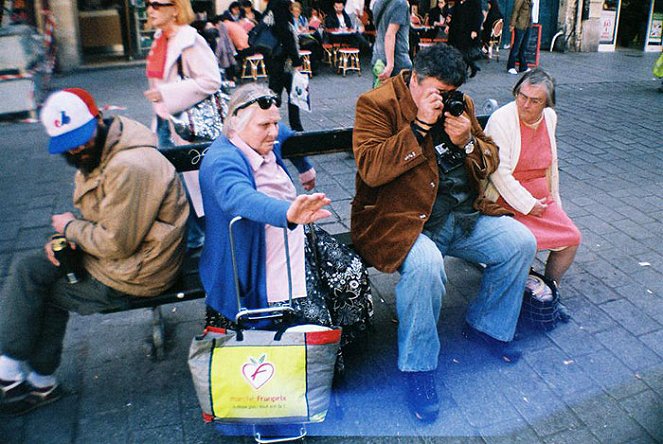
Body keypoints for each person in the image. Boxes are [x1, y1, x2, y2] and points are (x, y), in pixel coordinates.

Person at [351, 44, 536, 423]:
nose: (445, 100)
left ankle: (486, 326)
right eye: (437, 91)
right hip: (401, 220)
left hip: (461, 217)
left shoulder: (460, 102)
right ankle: (418, 370)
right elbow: (370, 169)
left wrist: (466, 140)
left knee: (521, 242)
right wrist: (418, 127)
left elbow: (490, 159)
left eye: (451, 93)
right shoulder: (376, 104)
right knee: (426, 266)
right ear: (414, 80)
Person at [0, 88, 188, 416]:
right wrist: (67, 238)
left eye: (82, 137)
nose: (77, 147)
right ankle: (20, 374)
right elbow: (107, 223)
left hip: (141, 271)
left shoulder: (129, 164)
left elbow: (116, 243)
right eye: (68, 143)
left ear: (98, 119)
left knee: (46, 289)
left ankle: (21, 377)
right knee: (31, 267)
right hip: (129, 256)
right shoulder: (105, 150)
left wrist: (70, 229)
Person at [200, 84, 373, 368]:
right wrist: (288, 212)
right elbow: (238, 197)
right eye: (264, 125)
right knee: (306, 312)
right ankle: (316, 370)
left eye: (274, 122)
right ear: (235, 123)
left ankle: (346, 340)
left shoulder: (261, 134)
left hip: (293, 230)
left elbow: (284, 135)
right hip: (255, 250)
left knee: (350, 269)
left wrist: (305, 167)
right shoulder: (222, 159)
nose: (271, 131)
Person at [484, 68, 581, 294]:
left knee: (572, 238)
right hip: (505, 196)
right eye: (521, 96)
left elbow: (551, 164)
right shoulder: (502, 119)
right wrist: (528, 204)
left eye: (535, 100)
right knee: (524, 243)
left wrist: (554, 201)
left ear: (547, 104)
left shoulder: (550, 117)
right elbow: (499, 173)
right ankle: (523, 288)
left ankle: (549, 288)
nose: (525, 105)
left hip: (540, 196)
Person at [143, 0, 221, 251]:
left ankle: (198, 242)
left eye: (156, 4)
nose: (150, 9)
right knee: (174, 185)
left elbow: (211, 81)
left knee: (188, 186)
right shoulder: (160, 39)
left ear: (175, 8)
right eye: (147, 4)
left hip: (186, 125)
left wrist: (166, 92)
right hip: (166, 122)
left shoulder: (190, 40)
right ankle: (194, 240)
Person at [260, 0, 305, 132]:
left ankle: (270, 125)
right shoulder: (280, 5)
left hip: (275, 59)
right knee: (287, 95)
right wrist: (296, 60)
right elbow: (285, 34)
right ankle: (293, 127)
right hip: (283, 61)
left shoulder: (272, 6)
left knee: (276, 96)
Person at [371, 0, 411, 83]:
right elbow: (390, 34)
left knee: (379, 93)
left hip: (378, 56)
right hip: (397, 59)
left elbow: (379, 29)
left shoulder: (377, 3)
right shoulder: (401, 4)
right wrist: (390, 65)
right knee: (401, 94)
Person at [446, 0, 483, 78]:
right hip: (456, 32)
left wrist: (475, 30)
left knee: (463, 52)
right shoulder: (458, 3)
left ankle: (464, 72)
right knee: (456, 51)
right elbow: (454, 17)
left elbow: (478, 17)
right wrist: (449, 25)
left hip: (467, 32)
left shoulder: (474, 3)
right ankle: (471, 66)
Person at [506, 0, 532, 75]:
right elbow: (516, 10)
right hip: (520, 24)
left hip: (528, 24)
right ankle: (511, 66)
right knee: (517, 45)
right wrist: (512, 24)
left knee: (524, 46)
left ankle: (523, 66)